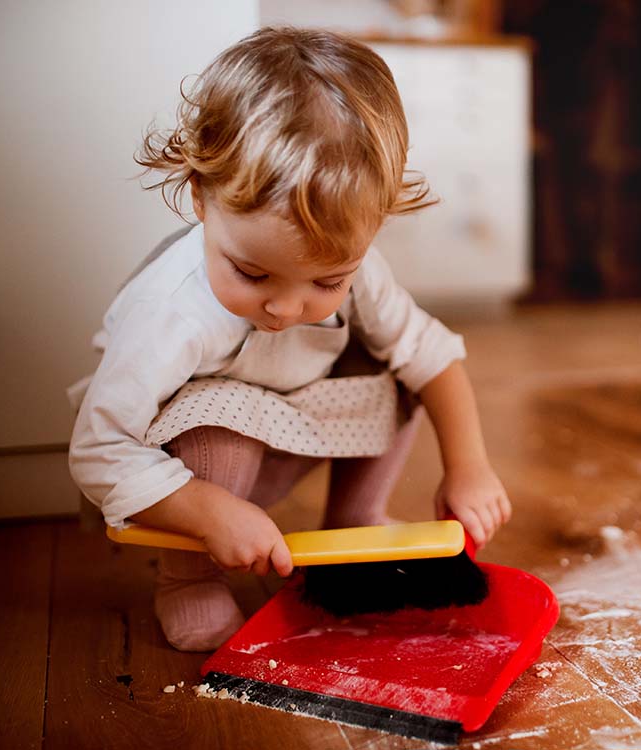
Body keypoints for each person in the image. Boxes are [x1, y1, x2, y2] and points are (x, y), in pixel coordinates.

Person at [68, 27, 511, 651]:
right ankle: (188, 575)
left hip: (294, 424)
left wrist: (469, 468)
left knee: (397, 371)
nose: (284, 307)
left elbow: (433, 356)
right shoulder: (169, 312)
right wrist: (207, 511)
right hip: (192, 470)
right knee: (214, 428)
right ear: (200, 194)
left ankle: (354, 524)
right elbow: (97, 448)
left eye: (327, 280)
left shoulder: (361, 273)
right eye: (252, 273)